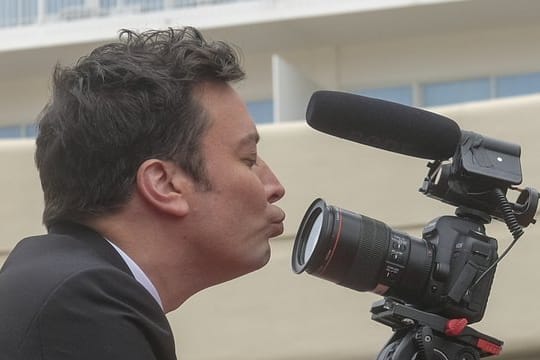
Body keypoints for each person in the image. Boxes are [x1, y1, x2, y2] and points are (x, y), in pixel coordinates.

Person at [0, 27, 285, 359]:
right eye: (248, 159)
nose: (275, 187)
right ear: (163, 184)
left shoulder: (59, 286)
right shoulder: (81, 305)